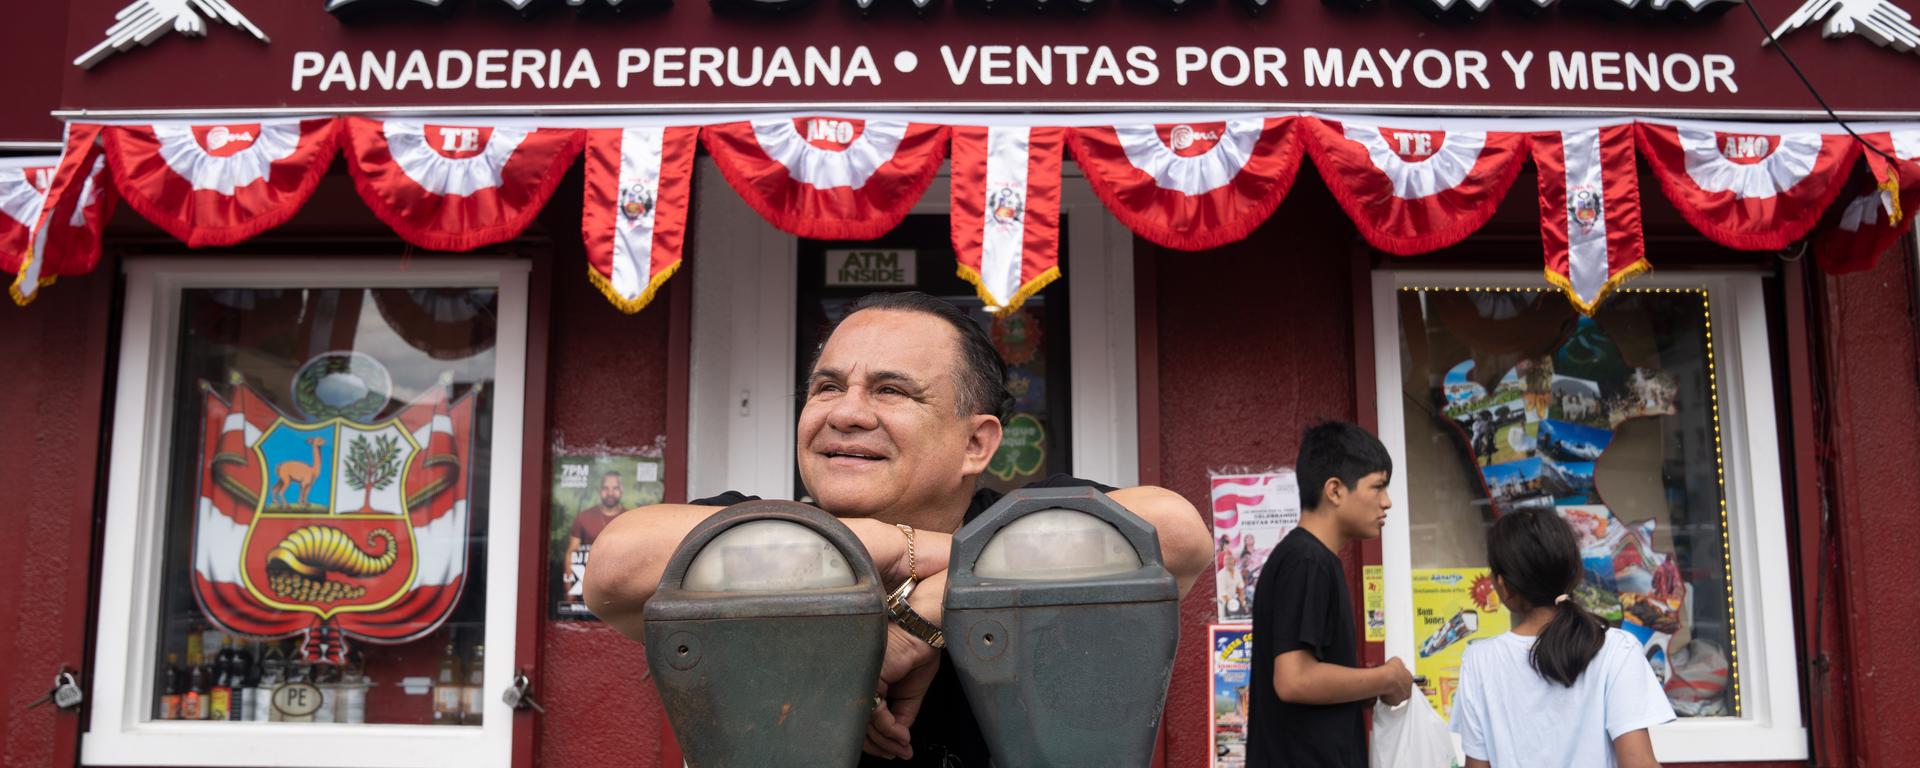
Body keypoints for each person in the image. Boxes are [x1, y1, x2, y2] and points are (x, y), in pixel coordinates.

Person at [584, 291, 1213, 767]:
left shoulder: (1031, 522)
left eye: (891, 391)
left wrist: (925, 617)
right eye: (827, 386)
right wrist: (898, 549)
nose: (847, 412)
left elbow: (1178, 535)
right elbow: (615, 568)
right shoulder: (752, 536)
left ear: (976, 442)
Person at [1450, 509, 1674, 768]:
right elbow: (1638, 762)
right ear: (1573, 573)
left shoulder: (1480, 661)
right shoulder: (1616, 649)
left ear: (1504, 585)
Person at [1249, 421, 1413, 768]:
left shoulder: (1309, 559)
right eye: (1378, 487)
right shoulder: (1308, 561)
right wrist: (1386, 676)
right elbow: (1294, 680)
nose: (1388, 502)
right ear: (1335, 490)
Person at [560, 471, 626, 598]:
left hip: (621, 592)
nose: (610, 493)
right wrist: (569, 589)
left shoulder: (631, 518)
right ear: (599, 490)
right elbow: (571, 553)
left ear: (622, 489)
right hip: (586, 591)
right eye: (605, 488)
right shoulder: (583, 517)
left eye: (615, 488)